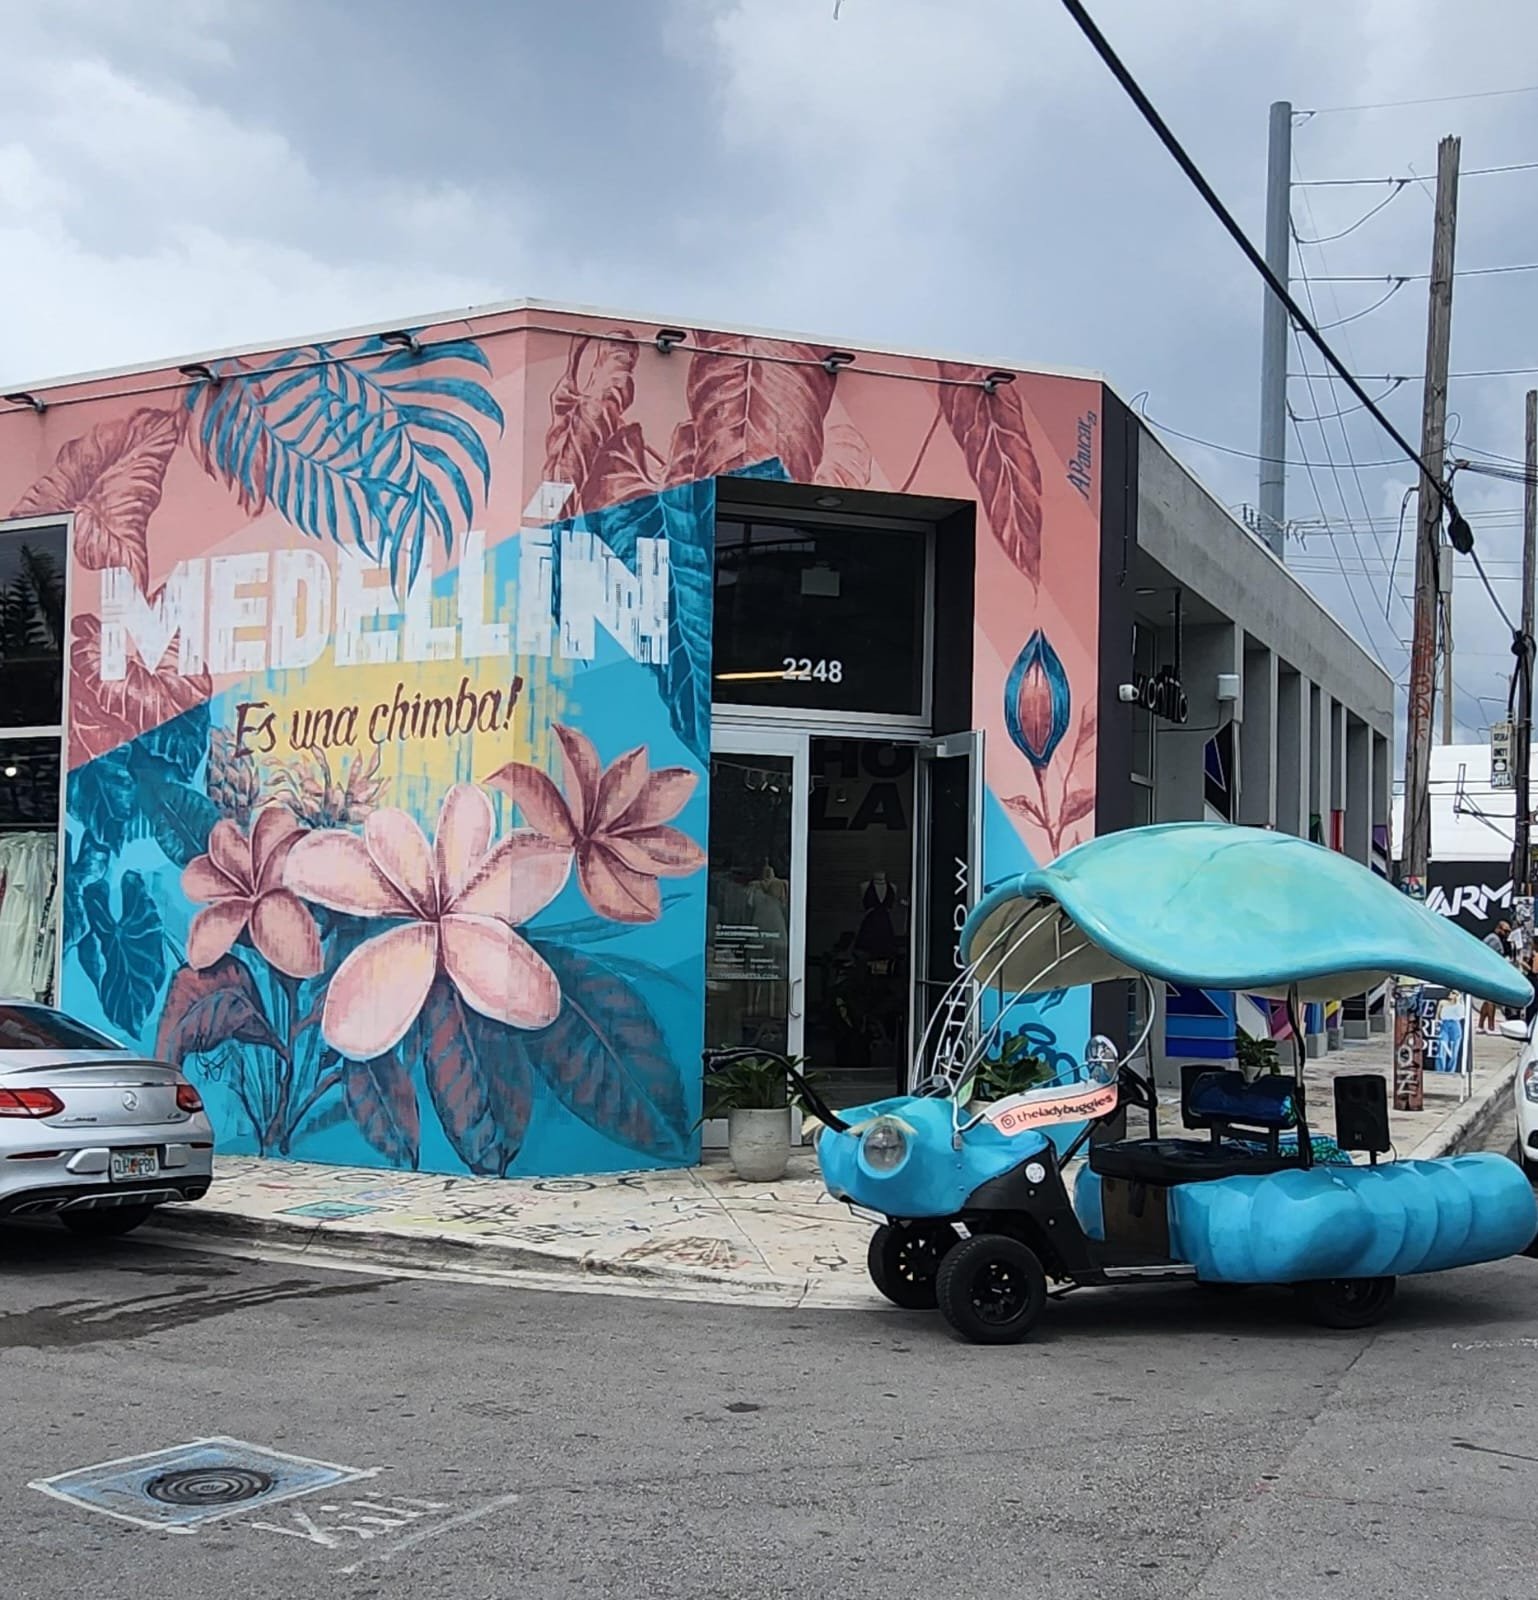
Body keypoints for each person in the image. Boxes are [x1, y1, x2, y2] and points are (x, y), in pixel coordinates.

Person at [1478, 919, 1513, 1032]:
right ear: (1498, 929)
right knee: (1491, 1000)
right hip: (1490, 973)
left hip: (1488, 972)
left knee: (1487, 1000)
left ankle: (1481, 1025)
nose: (1507, 934)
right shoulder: (1494, 939)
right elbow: (1491, 957)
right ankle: (1491, 1027)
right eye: (1505, 931)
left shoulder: (1494, 938)